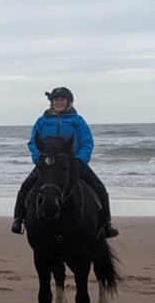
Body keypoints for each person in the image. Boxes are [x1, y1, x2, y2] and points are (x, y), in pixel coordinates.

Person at [11, 87, 119, 238]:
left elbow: (87, 142)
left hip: (73, 164)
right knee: (25, 187)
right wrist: (39, 159)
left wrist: (80, 160)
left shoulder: (77, 120)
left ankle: (107, 223)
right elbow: (32, 143)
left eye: (62, 100)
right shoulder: (42, 121)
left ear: (68, 102)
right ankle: (18, 219)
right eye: (56, 100)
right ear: (52, 102)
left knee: (99, 188)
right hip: (48, 164)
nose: (59, 103)